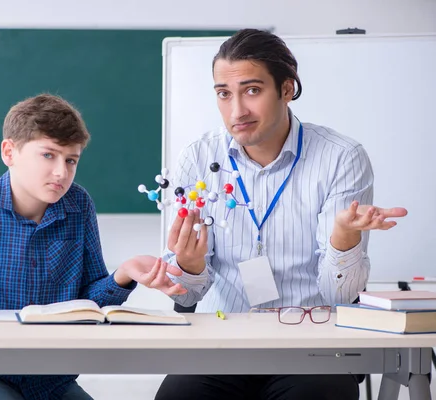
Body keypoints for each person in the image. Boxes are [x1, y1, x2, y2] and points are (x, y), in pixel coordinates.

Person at [155, 29, 408, 400]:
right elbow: (187, 298)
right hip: (219, 346)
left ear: (287, 90)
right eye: (224, 94)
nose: (236, 110)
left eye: (252, 90)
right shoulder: (198, 158)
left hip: (313, 348)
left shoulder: (341, 158)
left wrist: (343, 238)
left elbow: (342, 294)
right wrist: (189, 267)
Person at [0, 94, 186, 400]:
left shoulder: (79, 205)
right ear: (9, 152)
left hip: (50, 379)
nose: (62, 172)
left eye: (71, 160)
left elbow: (87, 305)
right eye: (48, 155)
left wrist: (122, 275)